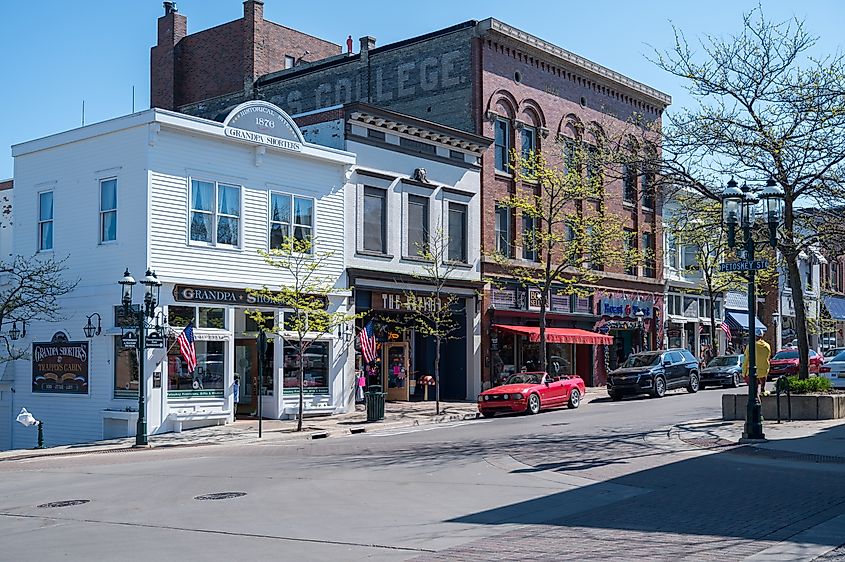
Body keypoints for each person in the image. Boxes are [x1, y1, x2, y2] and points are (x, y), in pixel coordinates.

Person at [742, 328, 771, 397]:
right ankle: (763, 390)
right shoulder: (767, 346)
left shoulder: (751, 346)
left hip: (753, 371)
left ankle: (756, 399)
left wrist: (744, 372)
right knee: (762, 381)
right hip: (764, 369)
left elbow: (746, 359)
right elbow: (768, 357)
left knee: (754, 390)